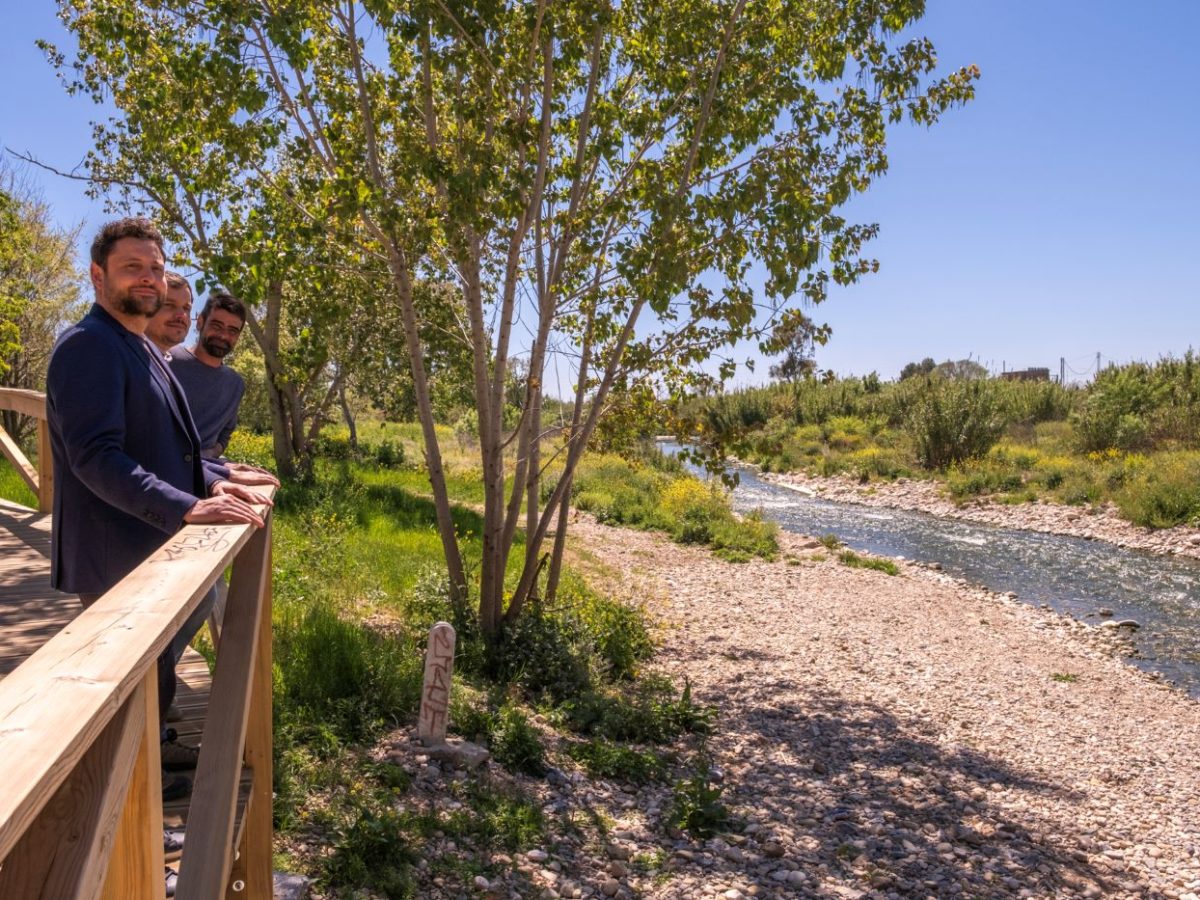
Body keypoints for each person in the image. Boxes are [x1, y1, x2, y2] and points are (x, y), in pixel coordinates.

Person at [46, 218, 270, 879]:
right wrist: (188, 506)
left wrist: (227, 479)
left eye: (155, 266)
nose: (146, 276)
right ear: (98, 277)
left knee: (151, 707)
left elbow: (173, 451)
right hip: (117, 558)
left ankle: (145, 842)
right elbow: (96, 458)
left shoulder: (141, 348)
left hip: (153, 558)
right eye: (131, 267)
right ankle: (122, 864)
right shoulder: (86, 348)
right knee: (123, 727)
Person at [163, 288, 247, 460]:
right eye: (217, 326)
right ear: (200, 322)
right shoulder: (167, 360)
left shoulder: (235, 384)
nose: (224, 335)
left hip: (205, 472)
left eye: (232, 330)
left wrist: (210, 454)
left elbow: (225, 433)